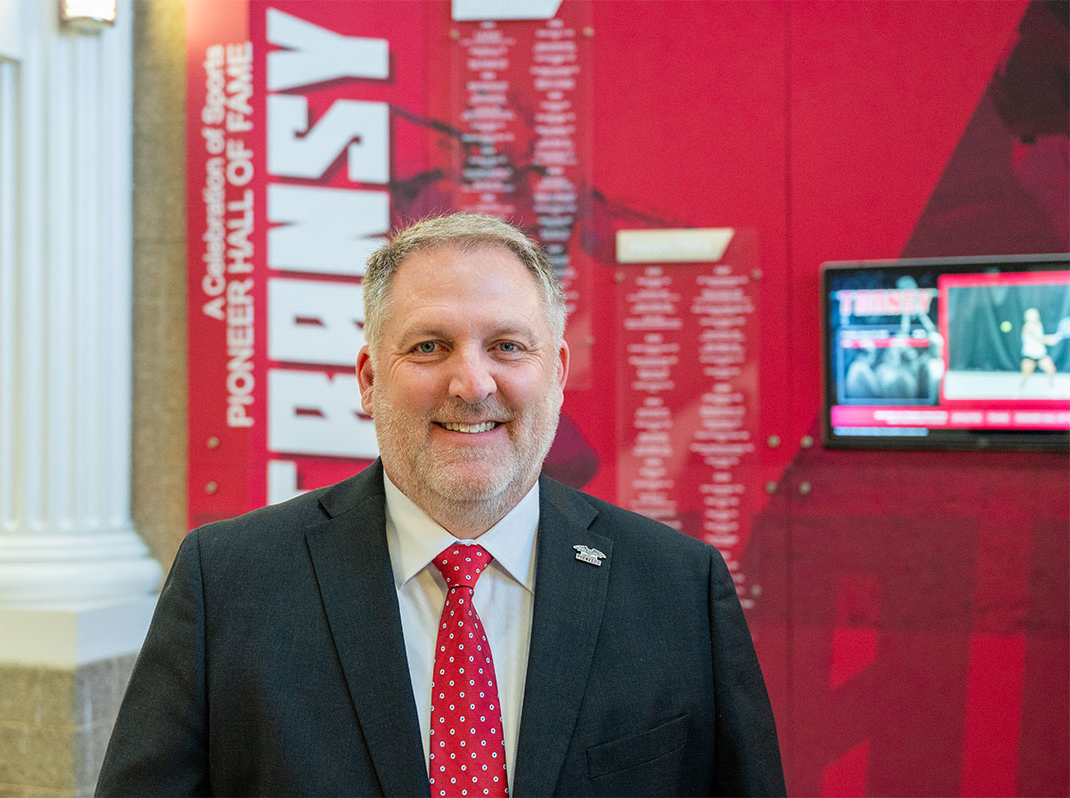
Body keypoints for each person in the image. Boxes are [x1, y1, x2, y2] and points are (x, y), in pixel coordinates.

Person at [96, 213, 785, 797]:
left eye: (508, 346)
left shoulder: (678, 587)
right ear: (369, 379)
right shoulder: (229, 582)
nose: (472, 382)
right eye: (430, 347)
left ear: (559, 373)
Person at [1019, 307, 1058, 390]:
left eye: (1035, 315)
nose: (1033, 317)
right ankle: (1019, 393)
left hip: (1041, 355)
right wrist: (1051, 340)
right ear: (1027, 317)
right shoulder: (1027, 327)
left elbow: (1041, 338)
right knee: (1025, 376)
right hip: (1029, 356)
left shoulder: (1039, 324)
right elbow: (1039, 338)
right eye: (1031, 316)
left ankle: (1052, 391)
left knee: (1052, 370)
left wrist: (1051, 338)